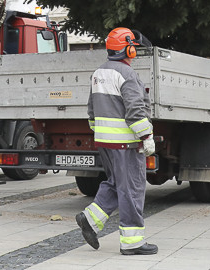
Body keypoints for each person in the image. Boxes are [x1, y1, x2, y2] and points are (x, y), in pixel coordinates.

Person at [75, 28, 157, 256]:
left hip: (105, 142)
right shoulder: (127, 74)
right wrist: (146, 137)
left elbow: (91, 110)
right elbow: (135, 111)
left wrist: (102, 133)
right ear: (128, 49)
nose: (135, 52)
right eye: (133, 48)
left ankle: (90, 219)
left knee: (116, 183)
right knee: (132, 189)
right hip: (126, 144)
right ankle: (132, 242)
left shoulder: (98, 73)